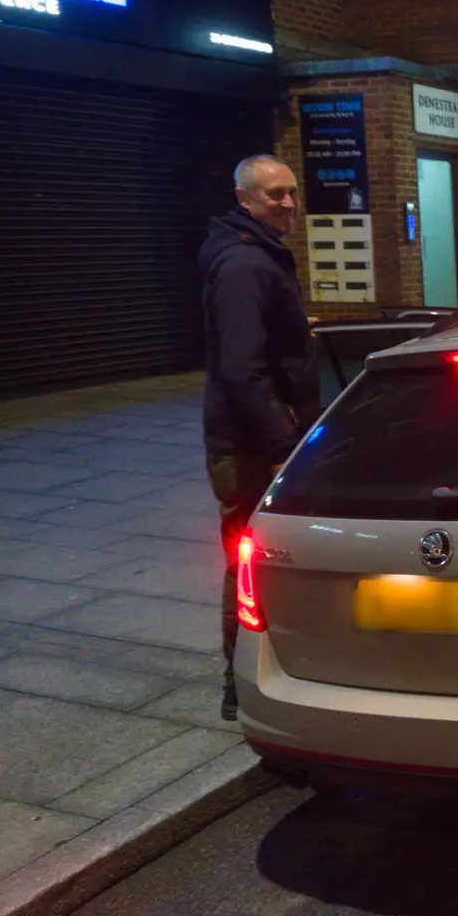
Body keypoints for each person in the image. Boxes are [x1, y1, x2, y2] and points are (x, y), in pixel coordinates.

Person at [200, 155, 319, 721]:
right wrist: (278, 450)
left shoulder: (257, 252)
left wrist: (295, 332)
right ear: (244, 198)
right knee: (248, 561)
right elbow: (242, 368)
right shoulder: (245, 263)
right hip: (249, 445)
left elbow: (256, 341)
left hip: (256, 435)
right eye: (275, 195)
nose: (288, 203)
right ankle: (238, 683)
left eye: (292, 192)